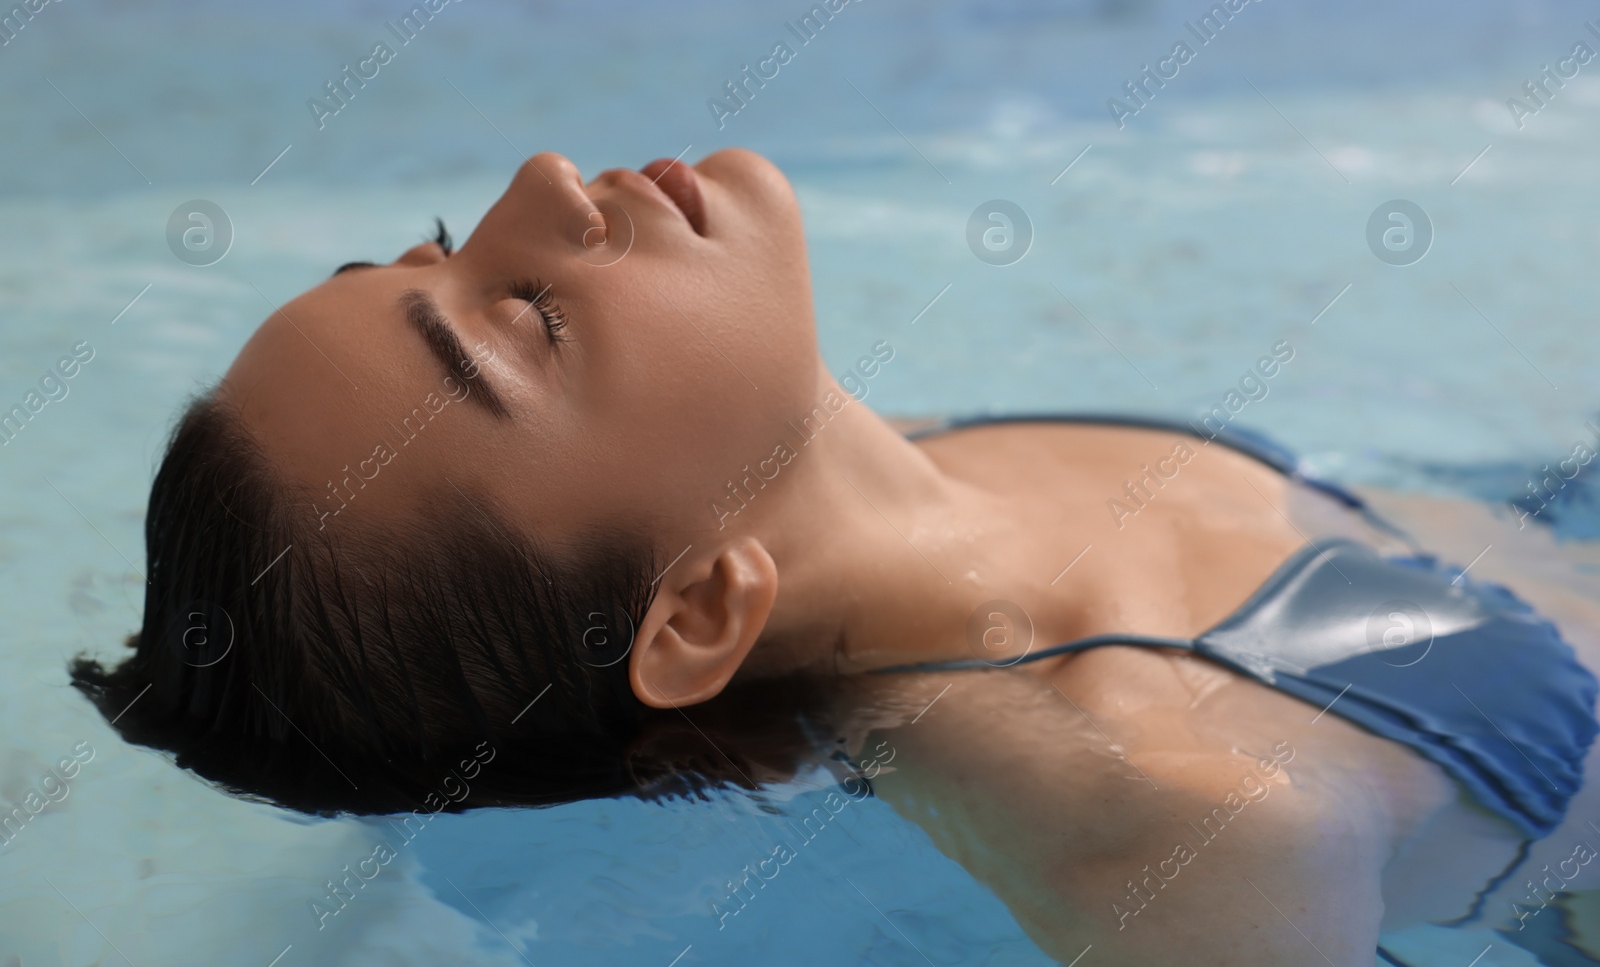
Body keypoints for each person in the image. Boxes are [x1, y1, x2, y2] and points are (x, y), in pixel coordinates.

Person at [72, 149, 1600, 964]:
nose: (538, 181)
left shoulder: (891, 452)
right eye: (524, 319)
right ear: (696, 615)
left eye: (434, 242)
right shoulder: (1171, 802)